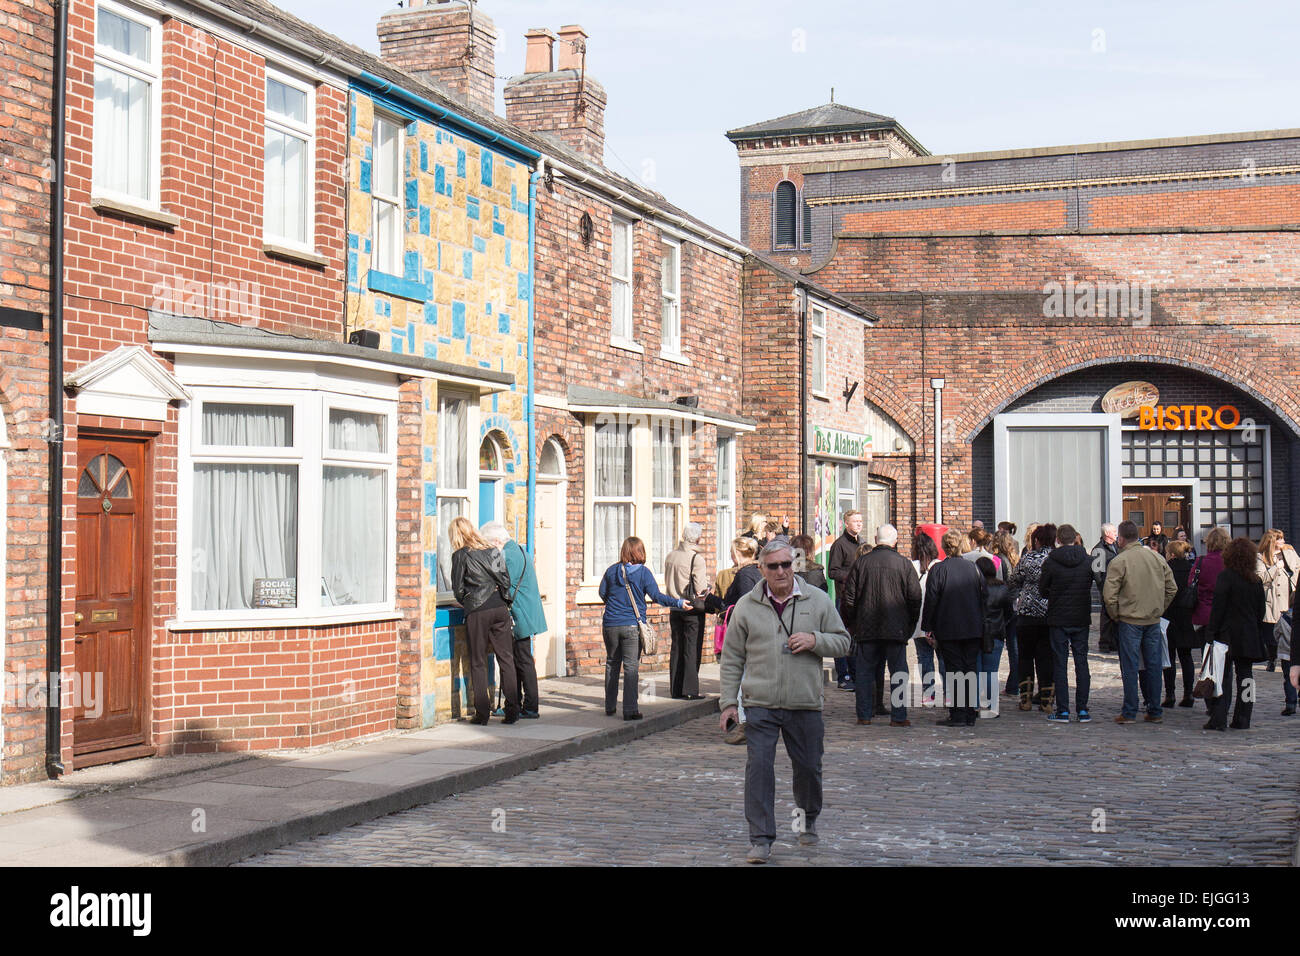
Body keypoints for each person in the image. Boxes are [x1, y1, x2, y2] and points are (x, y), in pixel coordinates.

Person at [718, 540, 851, 863]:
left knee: (808, 769)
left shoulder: (816, 600)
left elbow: (844, 642)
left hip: (803, 703)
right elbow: (732, 657)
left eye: (786, 565)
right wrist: (727, 704)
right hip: (759, 702)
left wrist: (815, 640)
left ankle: (807, 821)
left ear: (795, 564)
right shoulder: (747, 606)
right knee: (759, 770)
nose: (781, 571)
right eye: (773, 566)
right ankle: (761, 839)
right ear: (761, 568)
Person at [840, 524, 922, 727]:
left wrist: (852, 623)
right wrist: (909, 625)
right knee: (899, 672)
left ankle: (864, 714)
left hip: (867, 627)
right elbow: (915, 598)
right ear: (894, 541)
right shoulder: (904, 564)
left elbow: (848, 597)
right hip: (896, 628)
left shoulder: (862, 563)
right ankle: (899, 716)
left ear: (876, 540)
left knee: (865, 672)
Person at [599, 536, 687, 720]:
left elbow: (602, 593)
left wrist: (616, 606)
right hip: (632, 625)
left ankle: (609, 706)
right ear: (640, 552)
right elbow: (656, 596)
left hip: (610, 624)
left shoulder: (611, 570)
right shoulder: (643, 573)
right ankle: (630, 710)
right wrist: (678, 602)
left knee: (612, 664)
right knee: (631, 667)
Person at [1103, 520, 1177, 725]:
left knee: (1130, 666)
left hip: (1129, 619)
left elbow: (1109, 595)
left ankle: (1129, 711)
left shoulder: (1120, 560)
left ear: (1122, 538)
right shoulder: (1156, 557)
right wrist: (1159, 608)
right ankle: (1154, 709)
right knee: (1153, 665)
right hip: (1152, 619)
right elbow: (1172, 588)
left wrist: (1116, 614)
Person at [449, 516, 519, 726]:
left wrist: (469, 601)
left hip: (478, 611)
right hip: (499, 608)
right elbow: (506, 580)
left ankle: (482, 713)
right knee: (506, 659)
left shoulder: (460, 555)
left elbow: (458, 590)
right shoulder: (492, 550)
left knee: (478, 661)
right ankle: (513, 710)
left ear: (457, 535)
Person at [921, 529, 988, 727]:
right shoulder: (973, 568)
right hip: (972, 626)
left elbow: (931, 599)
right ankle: (969, 712)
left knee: (955, 670)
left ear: (944, 546)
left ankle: (958, 714)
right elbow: (984, 597)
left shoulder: (939, 570)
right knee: (970, 669)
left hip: (948, 627)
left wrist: (928, 626)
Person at [481, 522, 544, 719]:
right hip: (526, 611)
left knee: (522, 660)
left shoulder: (507, 555)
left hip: (520, 613)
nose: (489, 550)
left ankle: (530, 706)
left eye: (489, 545)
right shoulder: (518, 549)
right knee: (518, 660)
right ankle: (519, 704)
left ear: (497, 541)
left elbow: (502, 584)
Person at [1204, 537, 1268, 731]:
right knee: (1247, 678)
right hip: (1248, 634)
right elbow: (1261, 610)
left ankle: (1219, 717)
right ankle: (1244, 717)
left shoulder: (1226, 577)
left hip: (1227, 634)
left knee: (1223, 678)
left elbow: (1218, 608)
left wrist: (1211, 630)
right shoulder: (1255, 580)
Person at [1039, 524, 1094, 723]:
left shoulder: (1051, 562)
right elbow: (1093, 583)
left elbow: (1042, 589)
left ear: (1058, 540)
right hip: (1080, 616)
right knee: (1082, 662)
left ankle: (1063, 710)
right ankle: (1082, 709)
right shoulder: (1087, 560)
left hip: (1058, 617)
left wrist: (1054, 595)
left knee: (1060, 664)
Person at [712, 536, 759, 745]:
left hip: (744, 634)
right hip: (753, 632)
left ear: (738, 553)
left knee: (741, 678)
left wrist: (713, 601)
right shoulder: (756, 572)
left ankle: (743, 725)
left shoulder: (745, 575)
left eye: (732, 552)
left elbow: (741, 607)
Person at [1008, 523, 1056, 712]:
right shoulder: (1054, 558)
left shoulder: (1028, 557)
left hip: (1027, 614)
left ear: (1036, 540)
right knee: (1046, 658)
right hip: (1048, 613)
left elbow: (1013, 580)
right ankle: (1046, 700)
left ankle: (1025, 699)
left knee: (1025, 658)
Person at [663, 522, 711, 700]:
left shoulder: (670, 555)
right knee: (691, 648)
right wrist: (709, 588)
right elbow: (700, 589)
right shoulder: (696, 559)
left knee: (676, 647)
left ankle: (675, 689)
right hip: (691, 608)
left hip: (675, 606)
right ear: (698, 538)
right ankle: (690, 690)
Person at [828, 509, 865, 692]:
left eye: (860, 521)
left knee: (856, 639)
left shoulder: (862, 543)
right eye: (855, 521)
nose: (859, 524)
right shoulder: (839, 545)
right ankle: (843, 676)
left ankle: (856, 674)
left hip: (860, 598)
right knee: (843, 638)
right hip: (843, 598)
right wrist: (853, 574)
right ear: (846, 524)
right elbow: (832, 572)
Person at [1256, 529, 1300, 673]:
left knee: (1289, 631)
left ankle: (1287, 659)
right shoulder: (1261, 557)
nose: (1282, 541)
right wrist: (1276, 567)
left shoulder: (1290, 554)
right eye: (1279, 539)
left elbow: (1298, 569)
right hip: (1272, 600)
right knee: (1271, 634)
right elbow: (1261, 578)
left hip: (1289, 598)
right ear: (1271, 541)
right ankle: (1272, 657)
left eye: (1282, 539)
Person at [1162, 539, 1198, 708]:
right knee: (1186, 656)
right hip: (1186, 616)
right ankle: (1188, 693)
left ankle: (1170, 694)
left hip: (1168, 616)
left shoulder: (1165, 569)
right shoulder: (1191, 570)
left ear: (1173, 554)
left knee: (1168, 658)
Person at [911, 530, 945, 706]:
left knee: (923, 658)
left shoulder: (912, 566)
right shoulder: (940, 565)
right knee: (943, 657)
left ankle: (928, 693)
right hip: (938, 620)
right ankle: (948, 692)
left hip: (918, 621)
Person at [977, 556, 1012, 718]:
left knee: (976, 671)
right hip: (996, 633)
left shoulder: (975, 588)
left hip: (976, 633)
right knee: (991, 672)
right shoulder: (1002, 588)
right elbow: (1009, 613)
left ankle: (974, 705)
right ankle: (991, 707)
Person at [991, 530, 1021, 695]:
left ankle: (1010, 685)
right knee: (1014, 649)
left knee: (997, 648)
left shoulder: (998, 560)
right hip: (1014, 606)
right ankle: (1014, 684)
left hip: (1003, 607)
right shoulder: (1014, 558)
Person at [1092, 523, 1120, 652]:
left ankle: (1114, 642)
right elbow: (1096, 573)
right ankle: (1104, 643)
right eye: (1114, 531)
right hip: (1106, 587)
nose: (1116, 533)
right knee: (1106, 616)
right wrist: (1103, 588)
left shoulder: (1117, 546)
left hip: (1117, 587)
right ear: (1107, 534)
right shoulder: (1099, 550)